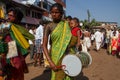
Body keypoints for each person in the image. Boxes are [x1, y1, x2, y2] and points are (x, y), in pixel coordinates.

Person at [43, 3, 75, 80]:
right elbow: (44, 45)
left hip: (67, 55)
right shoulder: (48, 26)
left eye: (56, 12)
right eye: (52, 12)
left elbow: (72, 40)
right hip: (55, 56)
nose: (54, 14)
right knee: (56, 76)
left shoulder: (67, 25)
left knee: (68, 75)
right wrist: (50, 62)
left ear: (61, 14)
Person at [1, 7, 34, 80]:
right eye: (8, 15)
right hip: (5, 50)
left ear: (17, 18)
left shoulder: (20, 28)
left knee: (16, 70)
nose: (9, 17)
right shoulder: (4, 25)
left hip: (14, 50)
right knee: (6, 71)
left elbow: (28, 39)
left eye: (12, 16)